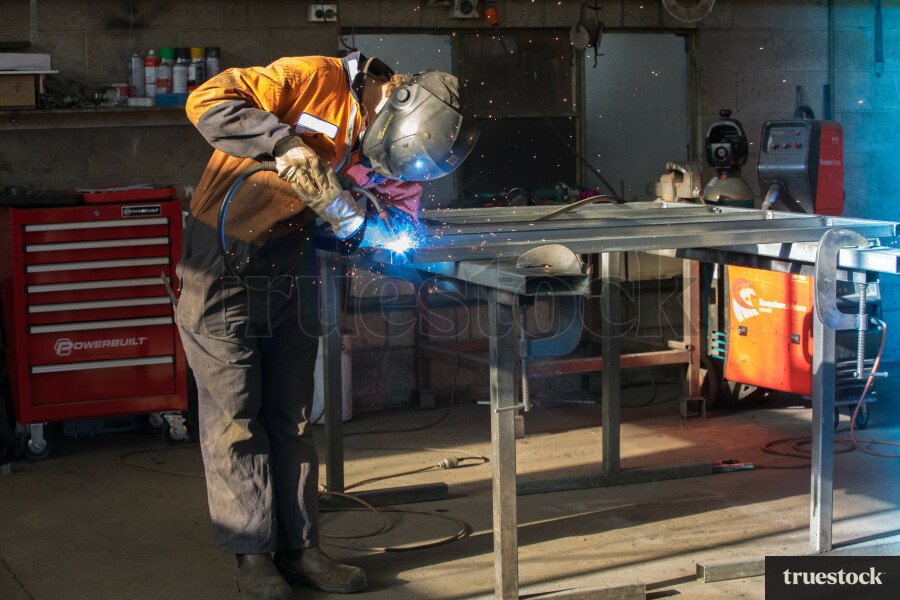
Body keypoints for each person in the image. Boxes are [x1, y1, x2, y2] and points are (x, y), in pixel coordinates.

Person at [177, 51, 476, 600]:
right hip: (219, 265)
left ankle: (303, 549)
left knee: (290, 415)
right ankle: (254, 557)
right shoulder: (313, 77)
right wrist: (282, 141)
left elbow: (399, 210)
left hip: (292, 272)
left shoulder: (395, 145)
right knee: (237, 420)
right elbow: (208, 100)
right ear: (393, 99)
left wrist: (390, 237)